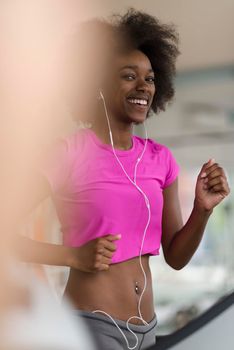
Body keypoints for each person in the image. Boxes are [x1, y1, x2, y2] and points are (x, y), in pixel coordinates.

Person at [14, 9, 230, 350]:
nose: (143, 86)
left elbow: (175, 256)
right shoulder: (69, 152)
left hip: (148, 328)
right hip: (91, 326)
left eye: (150, 78)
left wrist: (202, 211)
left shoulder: (162, 160)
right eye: (129, 76)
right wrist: (73, 257)